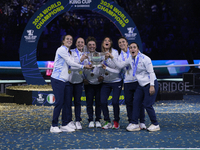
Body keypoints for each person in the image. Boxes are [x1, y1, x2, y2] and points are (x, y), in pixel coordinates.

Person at [107, 42, 160, 132]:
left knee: (147, 104)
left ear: (138, 49)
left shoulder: (145, 59)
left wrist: (152, 86)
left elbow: (151, 73)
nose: (132, 49)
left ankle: (155, 124)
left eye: (134, 47)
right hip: (141, 84)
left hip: (149, 83)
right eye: (131, 47)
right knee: (135, 102)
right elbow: (120, 65)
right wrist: (112, 58)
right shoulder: (130, 59)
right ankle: (135, 123)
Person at [50, 35, 92, 133]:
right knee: (59, 102)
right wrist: (83, 66)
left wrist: (83, 66)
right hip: (57, 79)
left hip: (64, 80)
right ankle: (54, 125)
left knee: (65, 103)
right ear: (63, 41)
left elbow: (71, 65)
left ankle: (65, 124)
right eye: (67, 39)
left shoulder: (68, 52)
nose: (69, 41)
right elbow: (70, 63)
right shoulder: (61, 50)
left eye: (70, 39)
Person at [117, 37, 146, 130]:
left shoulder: (136, 54)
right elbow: (120, 67)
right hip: (127, 81)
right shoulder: (119, 57)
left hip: (137, 81)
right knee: (129, 102)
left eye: (123, 42)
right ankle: (131, 122)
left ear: (127, 44)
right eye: (120, 42)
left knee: (139, 102)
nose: (122, 44)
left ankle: (142, 122)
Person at [100, 37, 122, 129]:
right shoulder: (100, 54)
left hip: (116, 81)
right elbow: (99, 67)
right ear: (102, 43)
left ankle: (116, 121)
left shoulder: (115, 52)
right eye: (105, 40)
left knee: (115, 102)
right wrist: (103, 59)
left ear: (111, 43)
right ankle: (107, 121)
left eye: (109, 40)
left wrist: (110, 58)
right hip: (105, 82)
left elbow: (116, 68)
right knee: (102, 101)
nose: (107, 42)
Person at [83, 36, 104, 128]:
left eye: (93, 45)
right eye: (90, 45)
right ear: (87, 46)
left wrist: (102, 76)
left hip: (99, 83)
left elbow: (104, 68)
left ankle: (98, 119)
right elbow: (80, 68)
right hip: (89, 83)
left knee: (98, 103)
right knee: (89, 103)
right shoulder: (84, 56)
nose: (92, 46)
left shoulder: (100, 55)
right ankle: (91, 119)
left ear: (96, 46)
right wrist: (83, 79)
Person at [68, 37, 86, 130]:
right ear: (75, 43)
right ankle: (70, 120)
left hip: (79, 81)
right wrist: (81, 60)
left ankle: (78, 120)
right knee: (68, 102)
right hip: (70, 81)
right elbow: (71, 65)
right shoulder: (71, 52)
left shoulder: (86, 53)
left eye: (82, 42)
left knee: (78, 102)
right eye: (78, 42)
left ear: (84, 44)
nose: (80, 44)